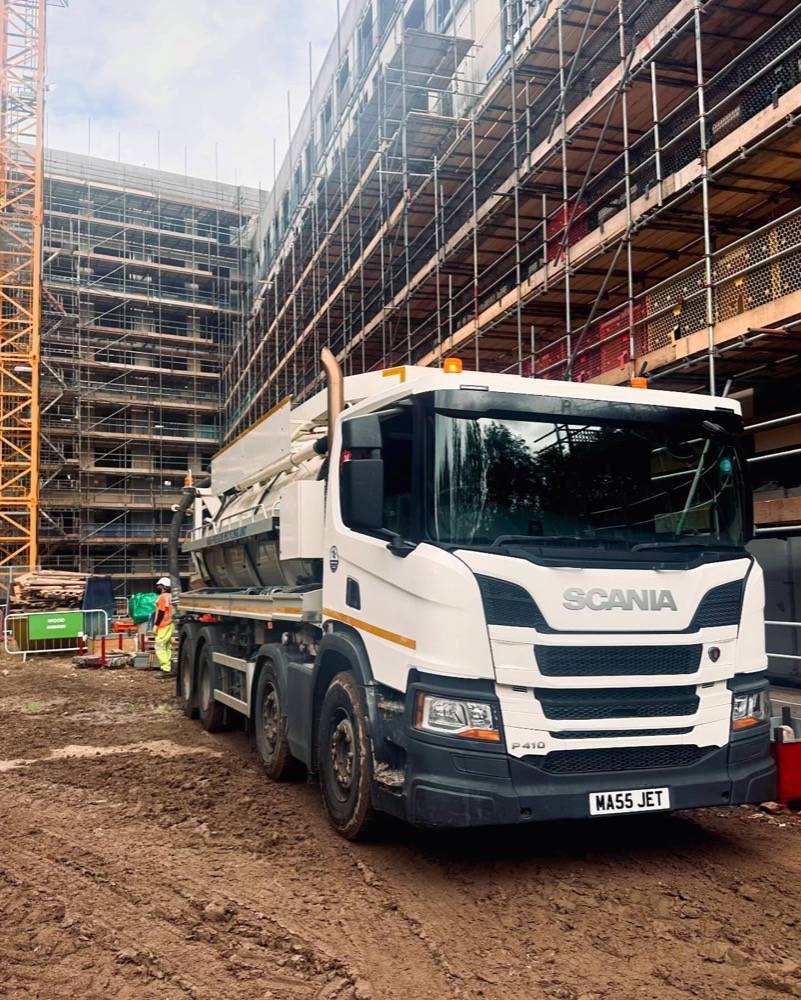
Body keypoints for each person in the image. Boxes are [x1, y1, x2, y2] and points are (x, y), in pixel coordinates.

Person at [153, 576, 174, 677]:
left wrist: (156, 625)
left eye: (159, 586)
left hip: (163, 624)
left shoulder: (162, 597)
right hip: (170, 623)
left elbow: (161, 612)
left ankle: (166, 669)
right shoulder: (171, 597)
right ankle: (168, 667)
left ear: (163, 587)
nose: (157, 587)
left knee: (160, 645)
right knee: (167, 646)